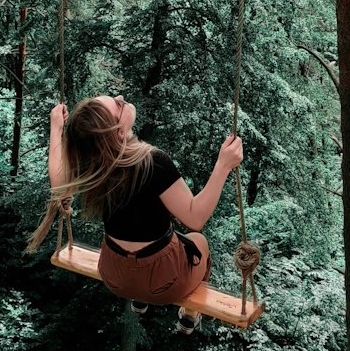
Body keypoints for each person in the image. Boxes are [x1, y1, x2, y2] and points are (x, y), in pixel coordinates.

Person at [27, 95, 243, 332]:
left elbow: (58, 180)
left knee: (161, 243)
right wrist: (223, 165)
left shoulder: (93, 164)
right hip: (165, 283)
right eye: (117, 105)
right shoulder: (154, 162)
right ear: (119, 132)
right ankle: (190, 315)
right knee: (198, 241)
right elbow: (195, 217)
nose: (120, 98)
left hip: (114, 276)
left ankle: (139, 300)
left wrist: (56, 127)